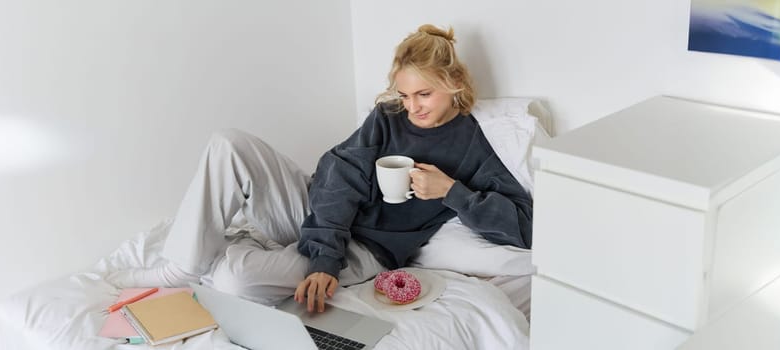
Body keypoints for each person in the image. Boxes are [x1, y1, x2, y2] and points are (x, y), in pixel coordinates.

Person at [108, 24, 532, 313]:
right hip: (314, 214)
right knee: (228, 143)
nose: (412, 107)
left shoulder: (474, 145)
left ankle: (221, 254)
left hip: (364, 251)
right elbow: (339, 175)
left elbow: (523, 226)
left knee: (235, 279)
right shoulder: (386, 118)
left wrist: (450, 191)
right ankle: (180, 267)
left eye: (424, 94)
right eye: (404, 95)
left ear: (453, 83)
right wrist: (323, 258)